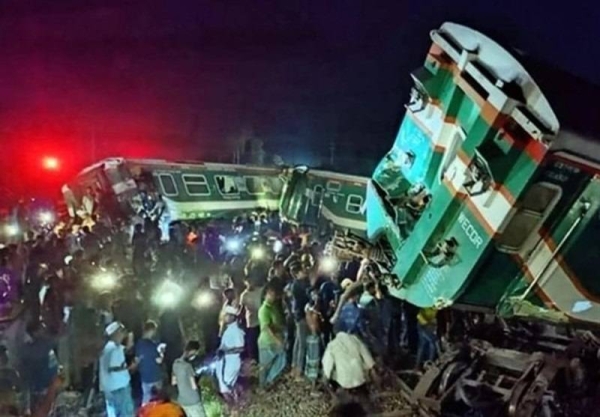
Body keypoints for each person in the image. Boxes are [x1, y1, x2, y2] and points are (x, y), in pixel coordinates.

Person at [99, 321, 136, 417]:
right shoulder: (115, 348)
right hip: (120, 388)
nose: (123, 335)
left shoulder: (106, 348)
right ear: (116, 333)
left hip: (109, 389)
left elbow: (128, 347)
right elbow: (113, 368)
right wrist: (130, 367)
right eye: (122, 332)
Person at [215, 305, 245, 413]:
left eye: (227, 315)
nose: (224, 317)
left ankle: (234, 410)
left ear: (232, 317)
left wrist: (225, 352)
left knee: (225, 390)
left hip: (231, 363)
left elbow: (241, 348)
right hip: (225, 362)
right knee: (228, 386)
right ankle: (237, 403)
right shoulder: (228, 329)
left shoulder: (236, 331)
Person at [258, 282, 286, 387]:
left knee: (281, 359)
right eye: (271, 293)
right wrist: (277, 340)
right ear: (266, 294)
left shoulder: (273, 307)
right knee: (264, 366)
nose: (274, 295)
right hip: (266, 341)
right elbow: (266, 328)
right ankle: (263, 386)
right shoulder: (264, 310)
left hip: (274, 339)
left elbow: (276, 324)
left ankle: (269, 381)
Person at [172, 341, 206, 417]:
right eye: (196, 352)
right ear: (193, 351)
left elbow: (173, 382)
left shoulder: (175, 363)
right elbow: (194, 386)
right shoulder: (188, 366)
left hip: (182, 401)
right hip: (193, 400)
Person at [135, 320, 164, 405]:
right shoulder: (152, 345)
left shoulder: (138, 344)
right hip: (155, 376)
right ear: (151, 330)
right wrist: (162, 353)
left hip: (144, 376)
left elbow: (137, 359)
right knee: (158, 397)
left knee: (146, 397)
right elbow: (159, 360)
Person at [289, 263, 310, 378]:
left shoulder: (296, 284)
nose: (305, 271)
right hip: (301, 315)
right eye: (302, 270)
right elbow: (305, 298)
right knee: (302, 343)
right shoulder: (299, 285)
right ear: (297, 274)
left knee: (297, 342)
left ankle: (294, 366)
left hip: (297, 315)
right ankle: (299, 371)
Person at [239, 273, 263, 362]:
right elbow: (242, 309)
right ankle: (254, 362)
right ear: (245, 282)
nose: (251, 283)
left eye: (252, 281)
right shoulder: (244, 295)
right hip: (252, 322)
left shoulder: (260, 291)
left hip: (262, 320)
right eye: (248, 281)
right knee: (253, 343)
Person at [304, 287, 322, 389]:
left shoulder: (307, 307)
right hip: (314, 336)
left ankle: (310, 383)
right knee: (314, 359)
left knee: (310, 359)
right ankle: (313, 386)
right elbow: (315, 324)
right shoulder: (314, 309)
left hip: (310, 336)